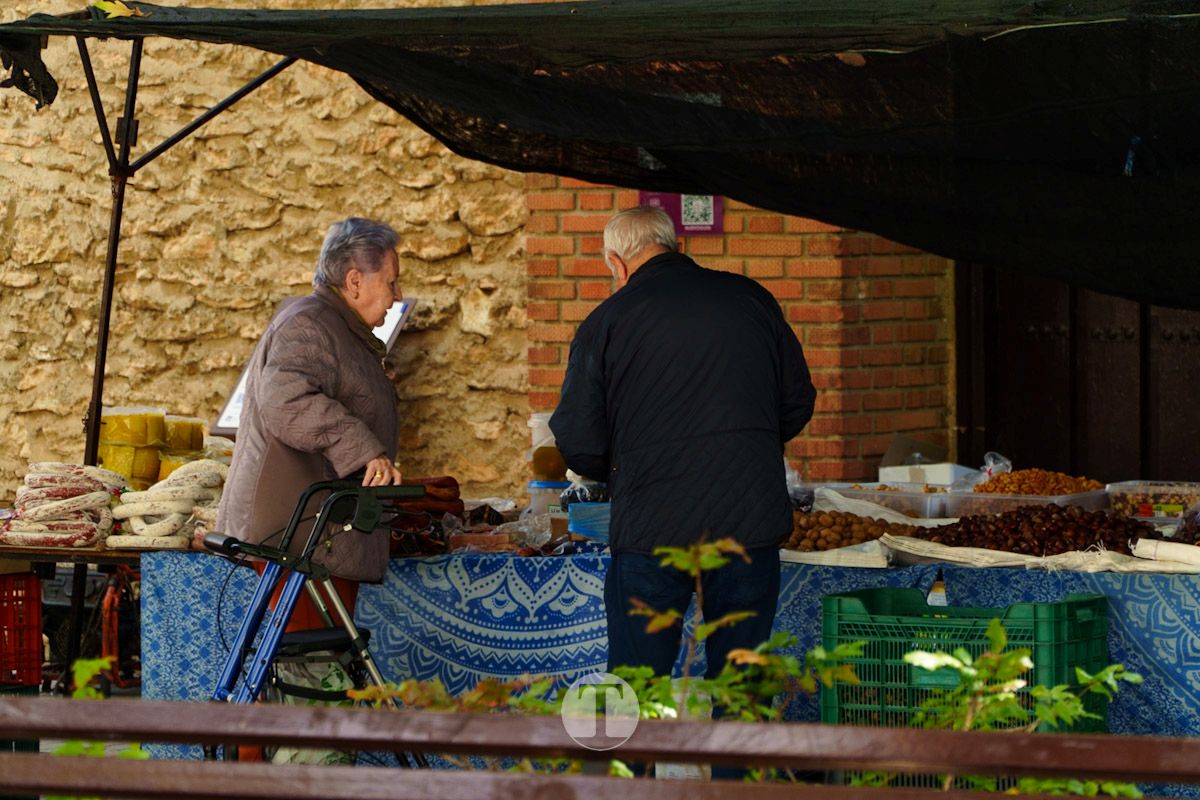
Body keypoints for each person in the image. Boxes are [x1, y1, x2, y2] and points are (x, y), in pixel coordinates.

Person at [550, 205, 816, 682]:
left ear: (616, 263)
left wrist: (626, 463)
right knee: (741, 686)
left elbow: (580, 442)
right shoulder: (751, 298)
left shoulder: (606, 321)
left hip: (652, 528)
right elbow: (796, 401)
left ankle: (635, 739)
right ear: (677, 246)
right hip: (747, 522)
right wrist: (745, 448)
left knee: (637, 684)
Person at [216, 216, 405, 629]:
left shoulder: (335, 327)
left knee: (321, 654)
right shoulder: (309, 324)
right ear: (354, 281)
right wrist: (365, 450)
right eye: (391, 282)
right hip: (299, 536)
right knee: (314, 657)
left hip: (317, 533)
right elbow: (287, 400)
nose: (397, 296)